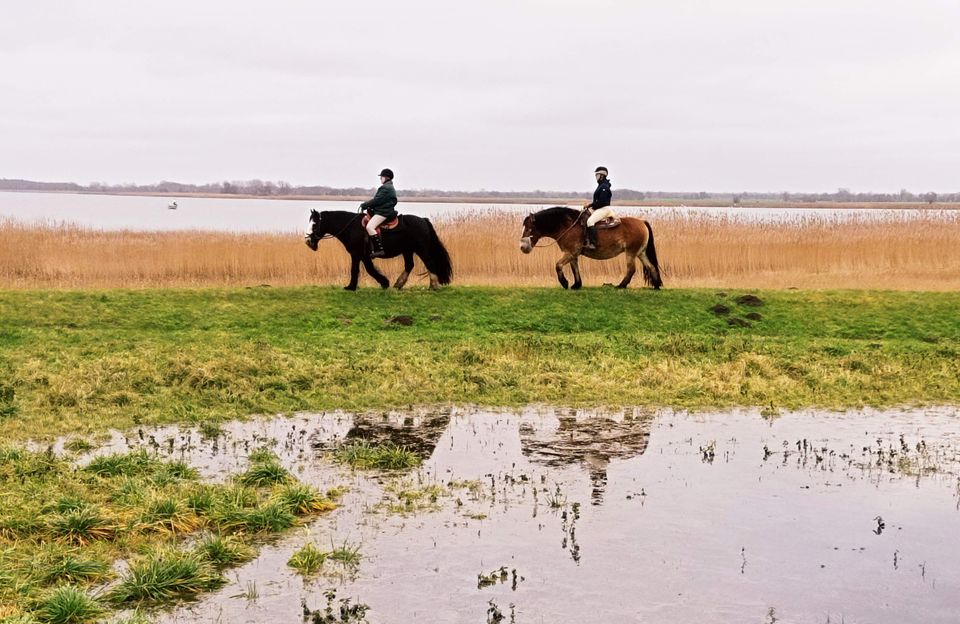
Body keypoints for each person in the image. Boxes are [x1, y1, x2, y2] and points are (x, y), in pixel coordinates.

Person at [360, 168, 398, 257]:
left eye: (382, 177)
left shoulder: (385, 188)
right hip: (383, 210)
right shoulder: (388, 187)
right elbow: (380, 201)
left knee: (370, 227)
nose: (380, 178)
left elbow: (377, 200)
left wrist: (364, 205)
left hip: (383, 213)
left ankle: (379, 250)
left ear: (386, 178)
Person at [582, 166, 614, 250]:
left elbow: (602, 202)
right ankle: (585, 239)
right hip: (599, 208)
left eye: (597, 175)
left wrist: (590, 205)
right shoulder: (601, 185)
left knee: (590, 221)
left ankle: (593, 243)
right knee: (582, 214)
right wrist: (589, 206)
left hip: (604, 209)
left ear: (602, 176)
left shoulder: (604, 187)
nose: (596, 177)